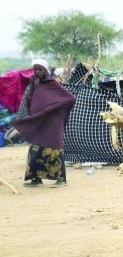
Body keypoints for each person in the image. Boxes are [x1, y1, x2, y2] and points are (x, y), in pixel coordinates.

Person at [14, 59, 75, 188]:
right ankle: (35, 178)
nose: (37, 72)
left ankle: (61, 179)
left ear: (46, 71)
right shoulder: (36, 84)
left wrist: (50, 109)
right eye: (35, 69)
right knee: (35, 149)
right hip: (39, 122)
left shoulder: (52, 84)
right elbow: (29, 100)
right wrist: (31, 85)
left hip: (52, 123)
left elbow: (70, 98)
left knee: (53, 149)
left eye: (40, 69)